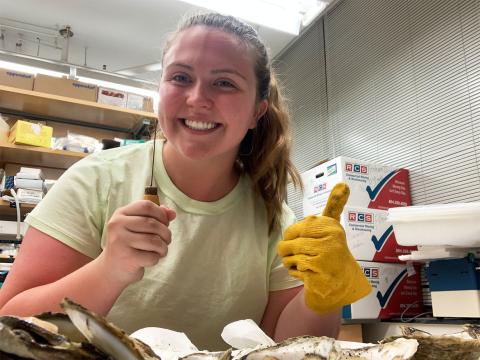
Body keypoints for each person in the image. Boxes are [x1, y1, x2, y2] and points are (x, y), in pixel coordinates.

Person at [0, 13, 369, 351]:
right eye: (180, 77)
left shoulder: (275, 219)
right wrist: (108, 269)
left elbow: (282, 345)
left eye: (224, 83)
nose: (197, 99)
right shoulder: (95, 181)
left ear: (258, 111)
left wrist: (322, 294)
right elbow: (10, 322)